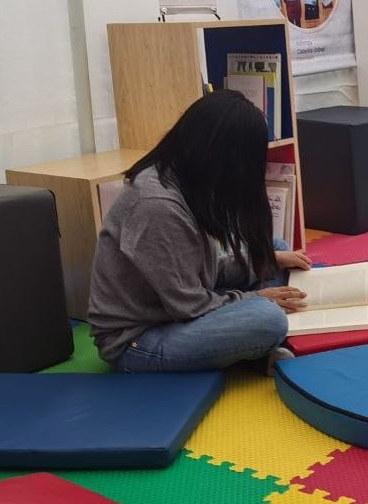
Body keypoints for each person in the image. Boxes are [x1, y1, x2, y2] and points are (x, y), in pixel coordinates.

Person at [88, 91, 313, 374]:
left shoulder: (185, 180)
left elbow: (198, 269)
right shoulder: (157, 206)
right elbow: (188, 305)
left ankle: (248, 348)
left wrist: (270, 259)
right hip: (140, 340)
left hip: (176, 306)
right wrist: (259, 298)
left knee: (273, 248)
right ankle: (254, 345)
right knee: (268, 319)